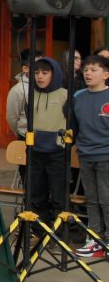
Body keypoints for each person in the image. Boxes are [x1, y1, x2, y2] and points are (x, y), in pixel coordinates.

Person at [25, 57, 68, 238]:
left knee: (59, 195)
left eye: (45, 73)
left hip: (57, 152)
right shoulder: (31, 94)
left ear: (54, 74)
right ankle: (39, 232)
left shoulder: (65, 95)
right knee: (37, 193)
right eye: (36, 73)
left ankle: (59, 234)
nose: (40, 77)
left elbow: (73, 122)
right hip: (35, 151)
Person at [72, 54, 109, 260]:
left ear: (106, 74)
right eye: (86, 69)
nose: (88, 73)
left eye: (94, 70)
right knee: (92, 200)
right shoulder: (78, 96)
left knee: (107, 199)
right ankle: (94, 238)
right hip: (86, 155)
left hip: (106, 156)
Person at [5, 48, 42, 141]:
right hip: (26, 136)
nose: (41, 68)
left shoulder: (46, 84)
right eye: (37, 65)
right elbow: (12, 118)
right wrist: (20, 132)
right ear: (26, 68)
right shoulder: (17, 90)